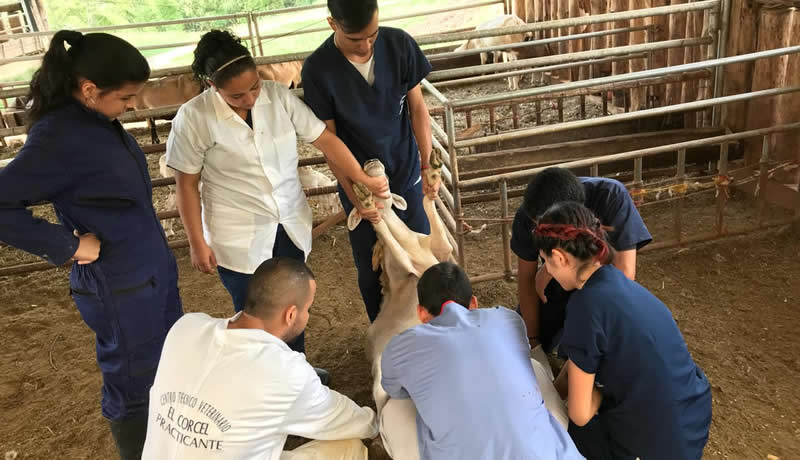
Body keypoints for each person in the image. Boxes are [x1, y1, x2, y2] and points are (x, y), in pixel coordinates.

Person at [0, 31, 183, 459]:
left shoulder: (99, 123)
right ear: (88, 90)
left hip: (149, 272)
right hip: (117, 284)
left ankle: (168, 444)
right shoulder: (58, 139)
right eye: (125, 98)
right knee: (133, 383)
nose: (132, 106)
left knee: (166, 365)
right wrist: (66, 244)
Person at [166, 31, 388, 366]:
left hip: (288, 223)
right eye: (237, 95)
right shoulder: (194, 117)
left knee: (292, 309)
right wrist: (197, 242)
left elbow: (324, 139)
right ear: (213, 86)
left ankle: (297, 372)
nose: (251, 97)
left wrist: (361, 178)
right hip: (237, 234)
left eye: (254, 85)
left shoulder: (277, 97)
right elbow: (186, 184)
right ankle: (267, 380)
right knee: (254, 315)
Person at [142, 257, 378, 460]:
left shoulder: (187, 326)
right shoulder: (286, 371)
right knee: (349, 448)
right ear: (291, 314)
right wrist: (377, 422)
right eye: (308, 309)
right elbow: (348, 420)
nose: (307, 316)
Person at [533, 202, 712, 460]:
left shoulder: (585, 306)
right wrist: (554, 390)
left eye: (545, 261)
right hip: (691, 419)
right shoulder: (615, 281)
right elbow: (580, 361)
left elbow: (580, 413)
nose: (546, 270)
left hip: (658, 444)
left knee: (575, 433)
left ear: (559, 258)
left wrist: (598, 395)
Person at [302, 0, 437, 323]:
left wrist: (428, 163)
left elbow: (418, 108)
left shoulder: (399, 44)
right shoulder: (318, 69)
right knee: (371, 265)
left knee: (420, 253)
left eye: (372, 36)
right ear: (332, 24)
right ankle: (386, 334)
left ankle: (430, 330)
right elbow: (329, 143)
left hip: (404, 170)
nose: (365, 46)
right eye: (354, 39)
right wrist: (355, 197)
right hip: (359, 181)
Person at [379, 262, 584, 460]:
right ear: (474, 304)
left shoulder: (400, 347)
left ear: (421, 314)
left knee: (394, 408)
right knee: (533, 368)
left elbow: (394, 389)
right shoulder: (508, 319)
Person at [511, 167, 652, 356]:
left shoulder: (610, 196)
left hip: (599, 281)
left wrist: (548, 270)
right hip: (559, 278)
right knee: (515, 339)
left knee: (587, 341)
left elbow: (624, 274)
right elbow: (527, 280)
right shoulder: (529, 215)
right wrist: (532, 340)